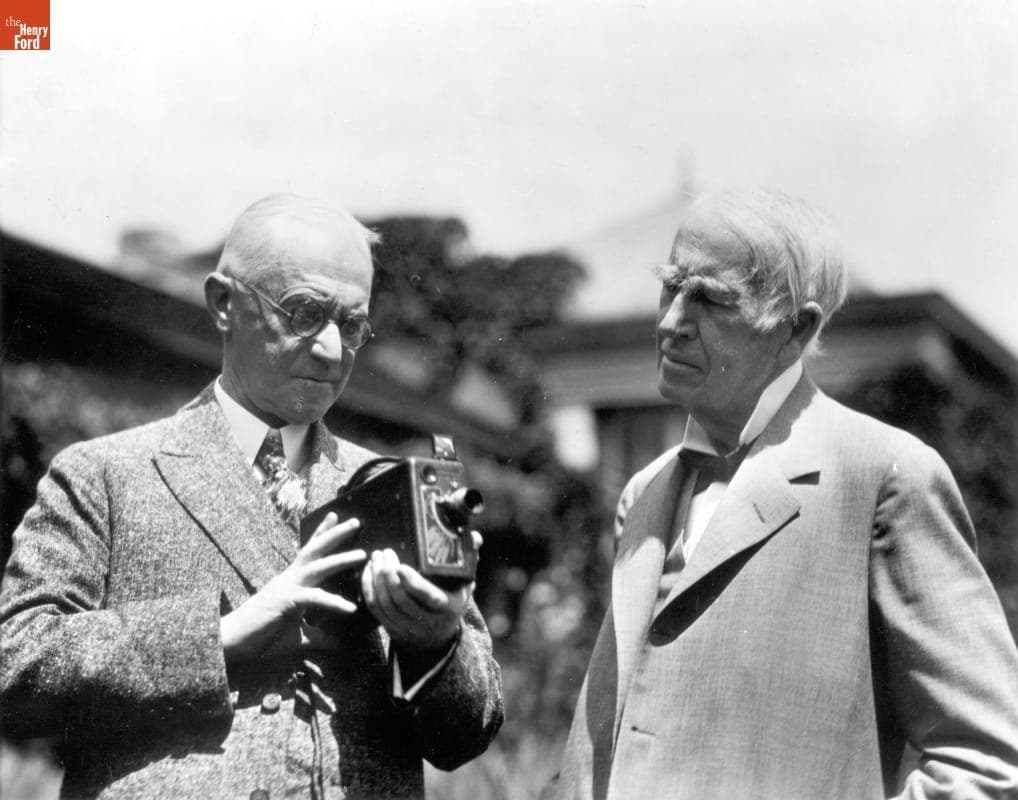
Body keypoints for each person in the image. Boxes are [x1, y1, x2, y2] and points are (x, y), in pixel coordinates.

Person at [0, 194, 503, 799]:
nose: (329, 350)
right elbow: (15, 666)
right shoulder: (102, 474)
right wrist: (220, 637)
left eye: (351, 325)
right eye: (303, 312)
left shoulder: (393, 487)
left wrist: (437, 643)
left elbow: (467, 736)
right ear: (223, 304)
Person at [553, 188, 1018, 799]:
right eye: (670, 287)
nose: (670, 322)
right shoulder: (646, 490)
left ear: (797, 328)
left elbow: (987, 759)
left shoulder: (885, 476)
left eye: (710, 300)